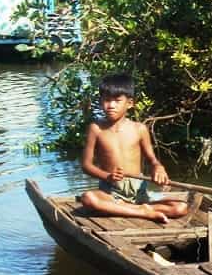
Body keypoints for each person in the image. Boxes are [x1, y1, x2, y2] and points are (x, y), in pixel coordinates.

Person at [80, 72, 188, 222]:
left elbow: (152, 159)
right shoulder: (96, 128)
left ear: (130, 103)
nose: (111, 105)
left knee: (181, 207)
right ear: (100, 102)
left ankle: (131, 209)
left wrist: (158, 167)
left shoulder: (139, 129)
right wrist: (107, 177)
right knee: (88, 198)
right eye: (106, 100)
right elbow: (86, 165)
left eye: (117, 100)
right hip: (111, 192)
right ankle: (143, 212)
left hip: (139, 192)